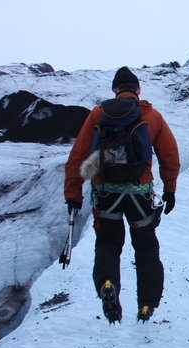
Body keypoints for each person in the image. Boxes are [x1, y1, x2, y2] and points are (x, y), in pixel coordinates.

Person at [64, 66, 180, 324]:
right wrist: (170, 189)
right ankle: (147, 304)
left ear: (115, 89)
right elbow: (169, 154)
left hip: (106, 192)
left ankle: (108, 283)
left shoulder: (98, 114)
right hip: (140, 194)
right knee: (146, 246)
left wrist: (73, 195)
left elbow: (78, 155)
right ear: (138, 89)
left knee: (108, 243)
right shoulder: (151, 115)